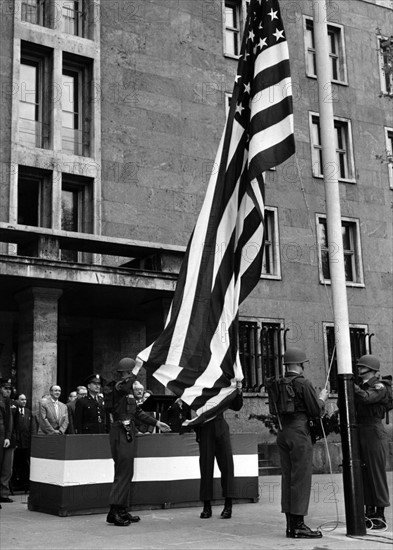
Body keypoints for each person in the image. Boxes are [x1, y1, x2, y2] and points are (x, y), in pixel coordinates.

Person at [104, 357, 171, 526]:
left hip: (127, 431)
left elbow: (138, 413)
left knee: (127, 473)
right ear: (126, 372)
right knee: (123, 473)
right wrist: (136, 370)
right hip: (120, 431)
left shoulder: (128, 393)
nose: (137, 377)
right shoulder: (118, 387)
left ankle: (120, 510)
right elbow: (126, 386)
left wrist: (157, 423)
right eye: (133, 373)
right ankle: (115, 510)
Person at [276, 347, 328, 539]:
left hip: (283, 431)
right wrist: (322, 398)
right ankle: (299, 525)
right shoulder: (303, 383)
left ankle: (290, 525)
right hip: (299, 431)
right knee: (301, 478)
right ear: (300, 364)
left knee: (288, 478)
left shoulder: (280, 382)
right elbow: (315, 410)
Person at [195, 380, 243, 521]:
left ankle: (228, 505)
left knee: (227, 466)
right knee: (206, 467)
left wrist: (238, 391)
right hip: (204, 427)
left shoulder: (222, 386)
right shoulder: (198, 385)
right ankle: (206, 505)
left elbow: (236, 406)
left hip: (220, 426)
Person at [353, 354, 391, 529]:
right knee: (364, 474)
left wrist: (351, 387)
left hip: (374, 431)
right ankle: (368, 512)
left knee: (376, 474)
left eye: (362, 366)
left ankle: (380, 515)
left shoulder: (380, 386)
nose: (359, 368)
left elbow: (367, 398)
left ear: (372, 369)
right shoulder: (360, 386)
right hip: (360, 431)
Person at [12, 394, 32, 492]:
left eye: (25, 399)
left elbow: (31, 427)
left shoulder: (28, 412)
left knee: (25, 464)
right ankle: (15, 483)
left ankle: (25, 484)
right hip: (17, 443)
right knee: (15, 464)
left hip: (26, 443)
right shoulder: (13, 411)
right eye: (22, 399)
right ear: (16, 400)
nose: (24, 401)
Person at [0, 378, 14, 504]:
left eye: (9, 389)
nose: (8, 391)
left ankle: (3, 494)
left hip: (7, 438)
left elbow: (10, 422)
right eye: (5, 388)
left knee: (7, 468)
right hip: (2, 436)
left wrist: (8, 437)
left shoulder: (10, 402)